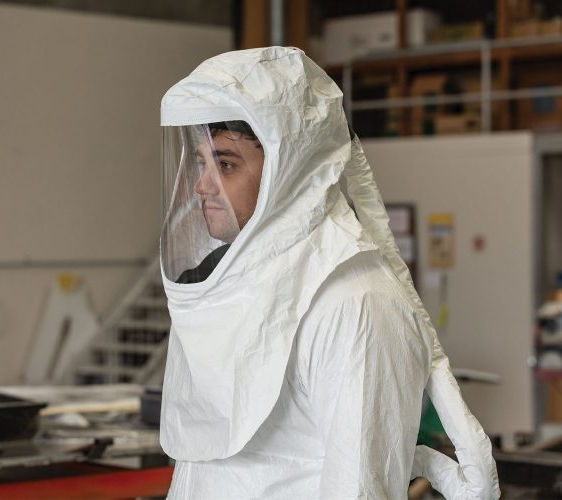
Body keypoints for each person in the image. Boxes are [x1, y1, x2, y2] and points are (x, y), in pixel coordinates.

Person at [158, 47, 500, 499]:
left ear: (291, 170)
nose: (202, 185)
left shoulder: (354, 302)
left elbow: (359, 488)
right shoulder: (236, 288)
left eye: (225, 164)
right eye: (201, 162)